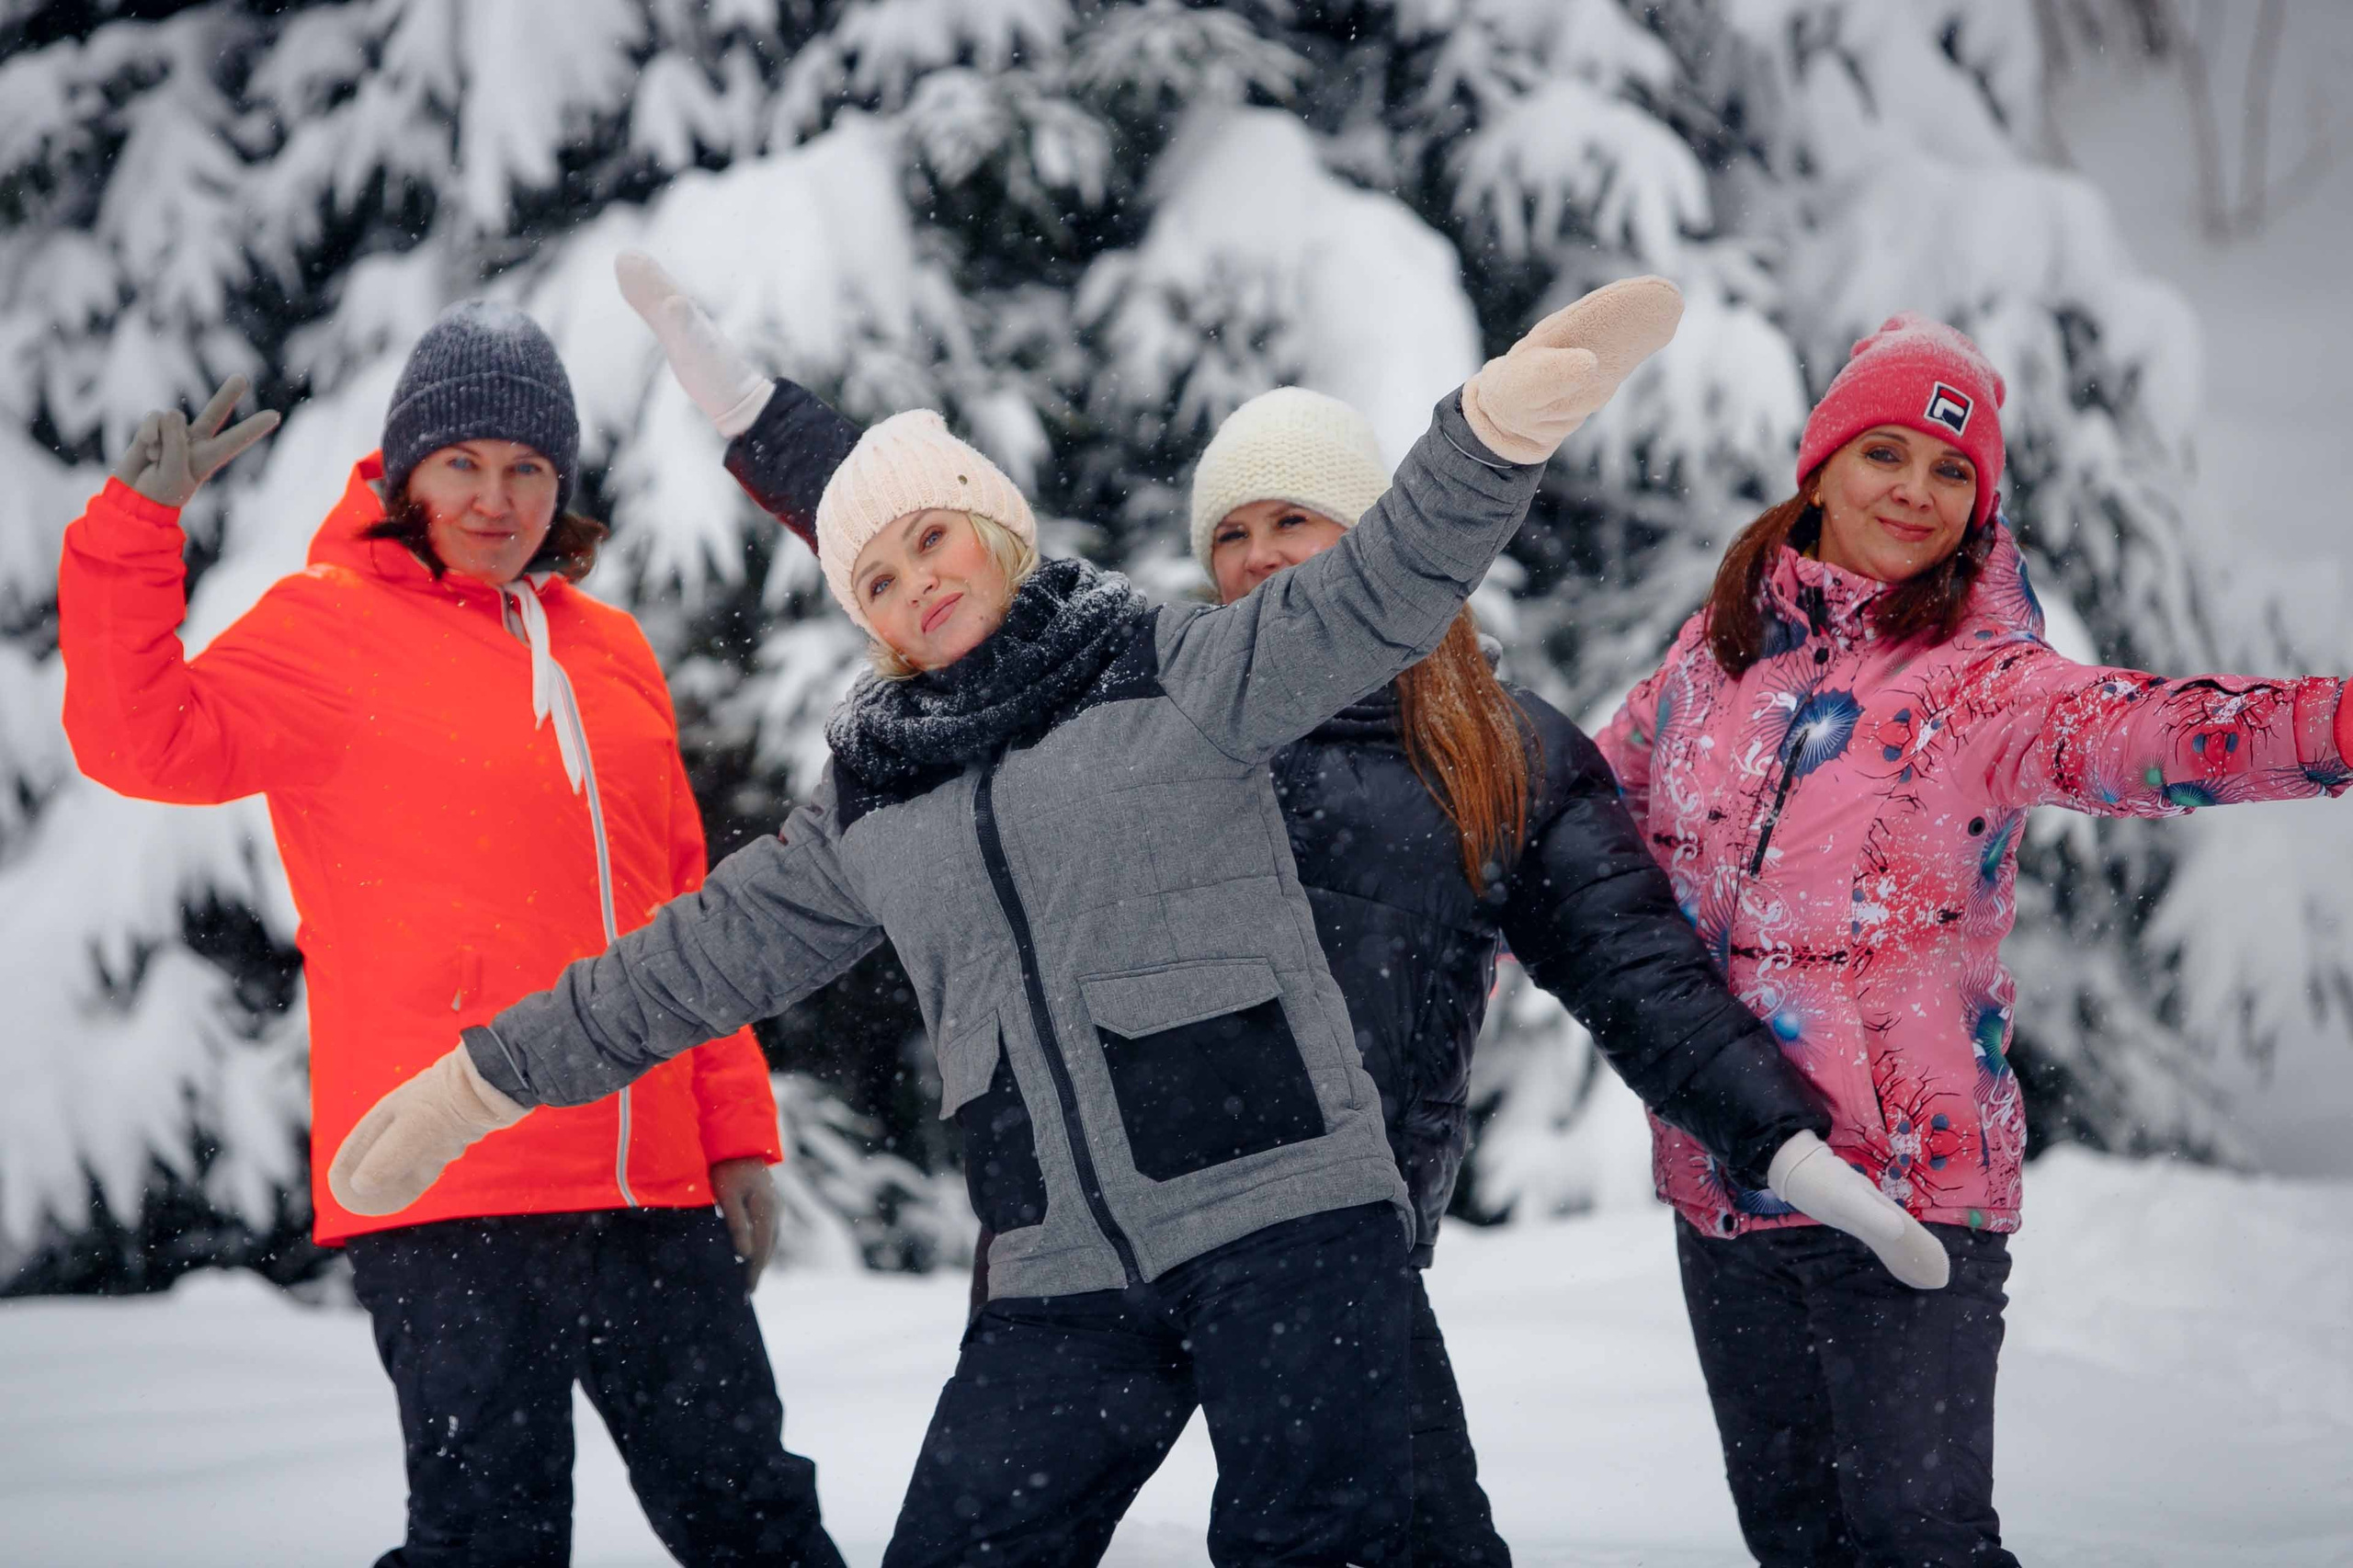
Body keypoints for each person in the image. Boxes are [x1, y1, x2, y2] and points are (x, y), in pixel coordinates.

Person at [699, 326, 1937, 1565]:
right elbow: (932, 546)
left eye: (1292, 520)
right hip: (1098, 1238)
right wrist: (762, 420)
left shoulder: (1495, 751)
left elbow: (1640, 974)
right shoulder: (1156, 703)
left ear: (1369, 532)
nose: (1256, 556)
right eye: (1230, 534)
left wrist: (1781, 1139)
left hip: (1329, 1249)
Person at [57, 305, 844, 1568]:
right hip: (450, 1179)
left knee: (755, 1517)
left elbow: (684, 915)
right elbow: (137, 740)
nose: (496, 498)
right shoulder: (325, 627)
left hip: (647, 1178)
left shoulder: (610, 649)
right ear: (405, 474)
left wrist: (734, 1130)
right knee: (490, 1539)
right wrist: (132, 536)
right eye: (462, 463)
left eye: (528, 467)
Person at [1594, 312, 2353, 1567]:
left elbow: (2164, 733)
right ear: (1821, 466)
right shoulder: (1713, 657)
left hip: (1908, 1190)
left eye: (1953, 470)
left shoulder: (1987, 684)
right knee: (1797, 1542)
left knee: (1921, 1542)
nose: (1916, 490)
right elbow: (1576, 835)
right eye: (1886, 452)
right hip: (1729, 1183)